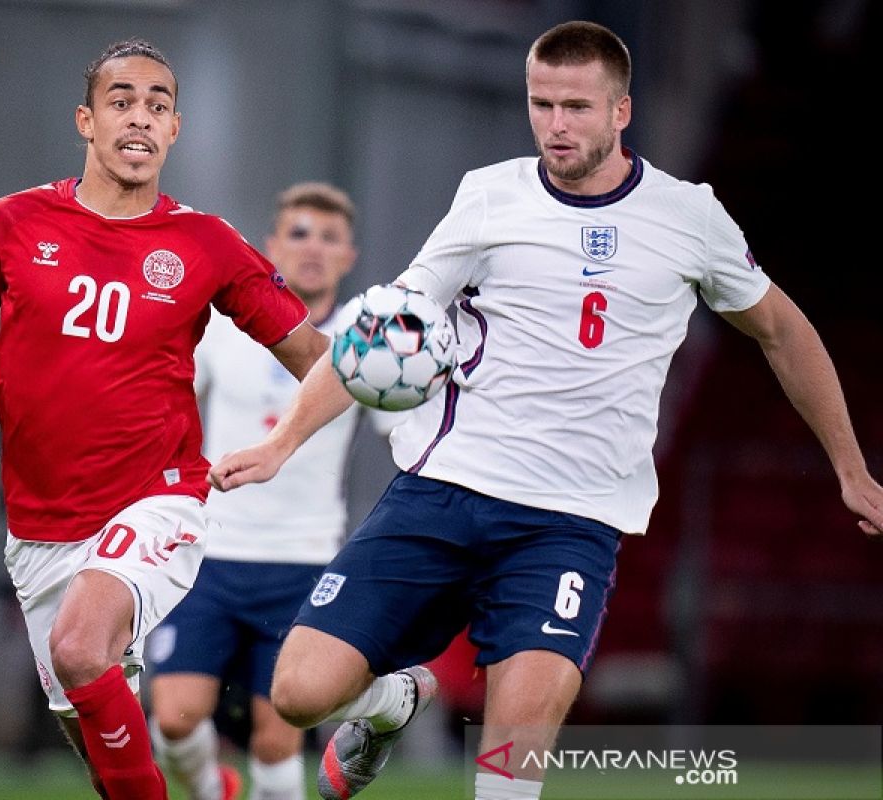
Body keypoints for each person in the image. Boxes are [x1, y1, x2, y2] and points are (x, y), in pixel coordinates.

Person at [208, 20, 883, 800]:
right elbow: (381, 335)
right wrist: (282, 443)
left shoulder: (690, 217)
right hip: (442, 493)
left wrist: (851, 468)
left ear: (621, 111)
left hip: (570, 522)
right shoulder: (488, 196)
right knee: (297, 691)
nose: (555, 126)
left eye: (576, 107)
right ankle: (394, 702)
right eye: (541, 105)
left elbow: (782, 330)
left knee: (509, 766)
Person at [0, 38, 329, 800]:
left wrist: (280, 443)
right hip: (38, 529)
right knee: (102, 747)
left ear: (174, 131)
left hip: (155, 497)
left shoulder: (206, 243)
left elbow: (317, 358)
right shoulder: (14, 222)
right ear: (87, 121)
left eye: (158, 106)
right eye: (122, 101)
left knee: (78, 646)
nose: (140, 118)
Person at [148, 182, 396, 800]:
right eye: (299, 233)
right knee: (173, 720)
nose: (312, 248)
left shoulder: (370, 344)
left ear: (349, 256)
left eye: (329, 237)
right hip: (207, 553)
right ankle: (213, 791)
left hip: (304, 561)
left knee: (276, 736)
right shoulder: (224, 328)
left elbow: (410, 434)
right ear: (271, 249)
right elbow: (165, 401)